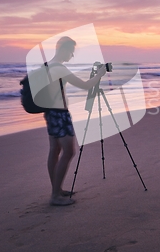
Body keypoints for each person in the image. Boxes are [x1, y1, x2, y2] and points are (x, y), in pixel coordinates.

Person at [43, 36, 106, 206]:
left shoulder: (47, 66)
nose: (71, 56)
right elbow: (85, 86)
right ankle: (55, 196)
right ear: (64, 49)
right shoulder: (60, 68)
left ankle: (56, 189)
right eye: (71, 52)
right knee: (69, 152)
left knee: (54, 150)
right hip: (60, 115)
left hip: (50, 113)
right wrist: (100, 74)